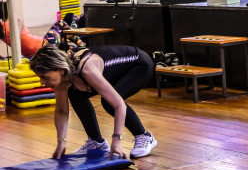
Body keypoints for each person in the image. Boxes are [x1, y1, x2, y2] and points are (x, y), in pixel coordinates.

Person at [29, 45, 158, 160]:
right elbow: (61, 111)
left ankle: (144, 136)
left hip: (138, 65)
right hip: (113, 72)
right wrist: (61, 142)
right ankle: (97, 142)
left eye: (44, 77)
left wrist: (116, 140)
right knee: (75, 94)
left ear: (60, 69)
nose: (42, 82)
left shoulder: (87, 69)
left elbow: (119, 105)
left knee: (109, 102)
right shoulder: (62, 78)